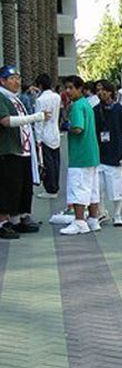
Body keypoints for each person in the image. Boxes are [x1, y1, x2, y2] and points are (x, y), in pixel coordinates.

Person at [0, 65, 50, 239]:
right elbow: (6, 121)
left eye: (18, 78)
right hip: (8, 150)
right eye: (12, 78)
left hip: (23, 150)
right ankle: (3, 221)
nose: (17, 82)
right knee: (8, 187)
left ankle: (19, 218)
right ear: (2, 81)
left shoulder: (16, 98)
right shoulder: (2, 97)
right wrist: (36, 117)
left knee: (23, 186)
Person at [60, 75, 102, 236]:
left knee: (78, 188)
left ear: (80, 89)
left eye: (71, 88)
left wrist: (66, 126)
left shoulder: (77, 106)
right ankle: (93, 219)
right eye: (66, 88)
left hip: (80, 155)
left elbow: (78, 128)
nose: (68, 91)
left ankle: (79, 222)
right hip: (92, 154)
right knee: (92, 189)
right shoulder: (86, 104)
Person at [94, 80, 122, 227]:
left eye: (103, 89)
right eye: (97, 90)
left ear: (110, 91)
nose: (100, 93)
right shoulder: (95, 110)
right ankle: (102, 212)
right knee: (98, 187)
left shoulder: (120, 110)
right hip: (99, 155)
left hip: (115, 154)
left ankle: (117, 214)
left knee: (117, 187)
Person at [34, 73, 62, 199]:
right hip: (55, 132)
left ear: (40, 85)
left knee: (47, 162)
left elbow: (38, 120)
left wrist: (37, 138)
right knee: (56, 162)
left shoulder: (40, 100)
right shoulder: (57, 97)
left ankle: (50, 188)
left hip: (45, 134)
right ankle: (55, 186)